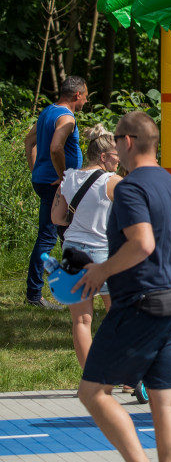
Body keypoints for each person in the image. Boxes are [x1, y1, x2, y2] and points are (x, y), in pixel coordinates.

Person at [73, 111, 171, 462]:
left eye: (115, 140)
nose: (113, 148)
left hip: (141, 302)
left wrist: (101, 271)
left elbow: (142, 243)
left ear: (127, 142)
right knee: (165, 398)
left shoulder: (130, 187)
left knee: (92, 392)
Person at [50, 125, 121, 369]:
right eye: (116, 155)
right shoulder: (113, 182)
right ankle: (124, 377)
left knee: (81, 320)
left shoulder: (67, 179)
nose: (119, 159)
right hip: (103, 254)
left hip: (72, 252)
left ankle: (91, 379)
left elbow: (57, 219)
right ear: (103, 157)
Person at [24, 75, 88, 308]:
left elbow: (28, 141)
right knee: (50, 236)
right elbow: (55, 147)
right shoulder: (66, 118)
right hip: (56, 185)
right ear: (77, 95)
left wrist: (36, 171)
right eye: (86, 97)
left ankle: (75, 284)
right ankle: (34, 294)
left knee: (68, 233)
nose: (86, 102)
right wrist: (63, 178)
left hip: (44, 181)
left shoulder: (47, 112)